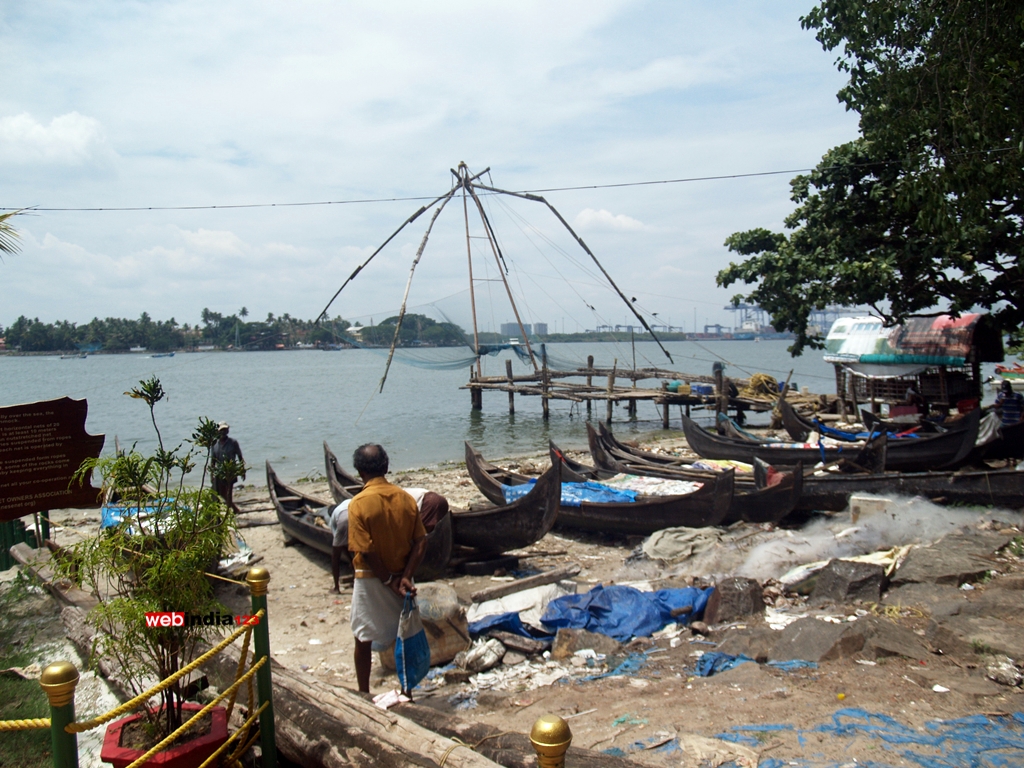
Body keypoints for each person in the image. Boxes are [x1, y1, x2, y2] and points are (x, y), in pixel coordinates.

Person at [347, 444, 427, 695]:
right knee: (403, 634)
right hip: (402, 577)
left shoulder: (358, 503)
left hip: (371, 580)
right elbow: (421, 541)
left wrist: (389, 579)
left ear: (359, 471)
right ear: (386, 467)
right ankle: (407, 692)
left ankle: (363, 692)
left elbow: (366, 550)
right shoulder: (405, 498)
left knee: (362, 637)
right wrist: (404, 576)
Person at [331, 487, 448, 593]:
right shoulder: (396, 494)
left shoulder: (360, 504)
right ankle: (409, 570)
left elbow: (347, 550)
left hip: (428, 501)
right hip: (435, 499)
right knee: (420, 537)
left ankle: (406, 570)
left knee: (417, 538)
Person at [211, 422, 245, 516]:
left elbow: (240, 456)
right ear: (218, 432)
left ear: (228, 430)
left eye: (225, 430)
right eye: (221, 430)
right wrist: (212, 475)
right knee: (221, 493)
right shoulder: (214, 444)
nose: (223, 432)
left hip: (231, 471)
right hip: (220, 472)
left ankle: (232, 510)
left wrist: (242, 470)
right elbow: (213, 461)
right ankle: (233, 508)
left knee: (229, 493)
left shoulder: (233, 442)